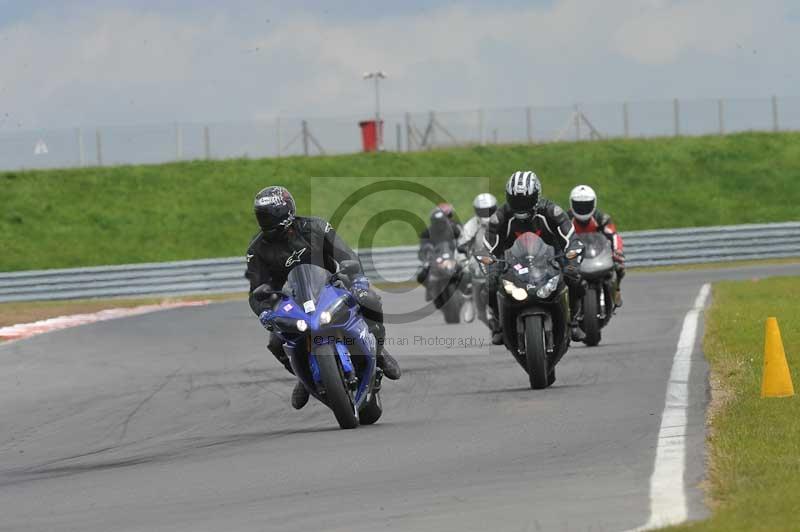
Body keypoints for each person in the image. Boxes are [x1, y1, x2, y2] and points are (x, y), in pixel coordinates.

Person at [245, 186, 401, 410]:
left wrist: (357, 279)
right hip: (290, 301)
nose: (265, 220)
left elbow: (346, 255)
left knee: (370, 300)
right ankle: (303, 376)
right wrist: (265, 312)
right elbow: (255, 290)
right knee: (275, 342)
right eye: (261, 215)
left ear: (284, 212)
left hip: (331, 286)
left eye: (269, 215)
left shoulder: (315, 227)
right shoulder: (256, 249)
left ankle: (379, 353)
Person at [483, 171, 585, 344]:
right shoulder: (499, 218)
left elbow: (570, 238)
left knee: (574, 277)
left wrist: (572, 258)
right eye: (516, 200)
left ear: (537, 196)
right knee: (490, 286)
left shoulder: (552, 212)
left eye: (525, 200)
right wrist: (491, 268)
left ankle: (573, 321)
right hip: (514, 264)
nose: (520, 205)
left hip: (551, 260)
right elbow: (488, 247)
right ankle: (499, 326)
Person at [568, 185, 625, 307]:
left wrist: (617, 251)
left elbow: (613, 235)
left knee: (619, 267)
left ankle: (616, 290)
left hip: (596, 255)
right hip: (574, 257)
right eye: (579, 205)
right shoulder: (566, 219)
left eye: (586, 204)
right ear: (572, 204)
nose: (583, 208)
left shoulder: (601, 218)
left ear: (594, 203)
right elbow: (557, 237)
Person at [416, 206, 462, 293]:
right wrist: (427, 250)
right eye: (437, 222)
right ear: (432, 222)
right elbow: (423, 246)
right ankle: (430, 290)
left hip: (451, 255)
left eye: (441, 222)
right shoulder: (427, 232)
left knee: (464, 270)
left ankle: (466, 290)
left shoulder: (453, 229)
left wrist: (460, 247)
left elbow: (462, 239)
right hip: (436, 257)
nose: (439, 225)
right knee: (421, 276)